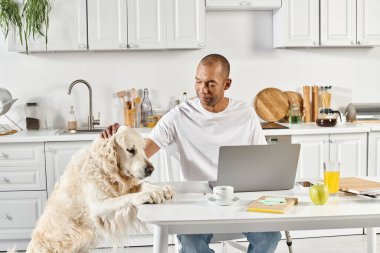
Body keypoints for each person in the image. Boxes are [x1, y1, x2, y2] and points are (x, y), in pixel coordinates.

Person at [101, 54, 281, 253]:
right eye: (198, 82)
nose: (202, 90)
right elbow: (143, 151)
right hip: (196, 202)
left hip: (238, 199)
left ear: (227, 84)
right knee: (192, 245)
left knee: (270, 235)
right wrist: (118, 139)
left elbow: (262, 159)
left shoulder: (245, 114)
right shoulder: (180, 114)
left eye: (211, 84)